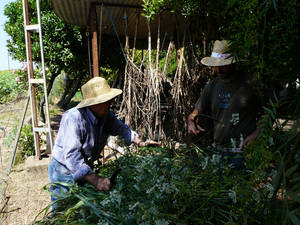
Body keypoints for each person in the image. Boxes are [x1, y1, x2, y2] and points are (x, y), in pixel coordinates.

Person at [48, 77, 156, 210]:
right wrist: (97, 180)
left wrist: (139, 142)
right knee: (63, 210)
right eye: (105, 101)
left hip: (83, 167)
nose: (110, 103)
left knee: (80, 210)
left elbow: (122, 129)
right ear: (92, 103)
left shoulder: (105, 115)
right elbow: (72, 157)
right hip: (63, 170)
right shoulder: (74, 118)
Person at [187, 40, 261, 169]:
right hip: (219, 151)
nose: (218, 69)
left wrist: (256, 135)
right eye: (215, 65)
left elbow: (269, 115)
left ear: (233, 64)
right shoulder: (212, 86)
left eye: (223, 65)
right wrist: (191, 122)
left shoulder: (250, 84)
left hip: (244, 152)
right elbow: (195, 112)